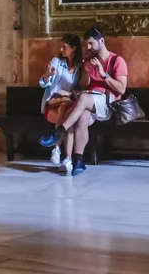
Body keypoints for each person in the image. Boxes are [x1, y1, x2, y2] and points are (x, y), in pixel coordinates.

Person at [55, 27, 127, 176]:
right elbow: (83, 86)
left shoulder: (117, 61)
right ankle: (78, 161)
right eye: (86, 44)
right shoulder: (89, 60)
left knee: (83, 98)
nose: (88, 47)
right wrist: (86, 72)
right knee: (81, 117)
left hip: (109, 103)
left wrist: (103, 74)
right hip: (90, 101)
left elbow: (121, 89)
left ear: (101, 41)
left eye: (91, 43)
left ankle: (59, 132)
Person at [37, 34, 83, 167]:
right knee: (67, 113)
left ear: (74, 48)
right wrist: (48, 74)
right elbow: (42, 84)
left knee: (68, 116)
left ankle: (61, 154)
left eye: (65, 46)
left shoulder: (79, 68)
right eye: (61, 46)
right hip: (52, 103)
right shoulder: (56, 62)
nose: (61, 49)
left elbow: (78, 89)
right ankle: (61, 153)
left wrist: (67, 94)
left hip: (67, 102)